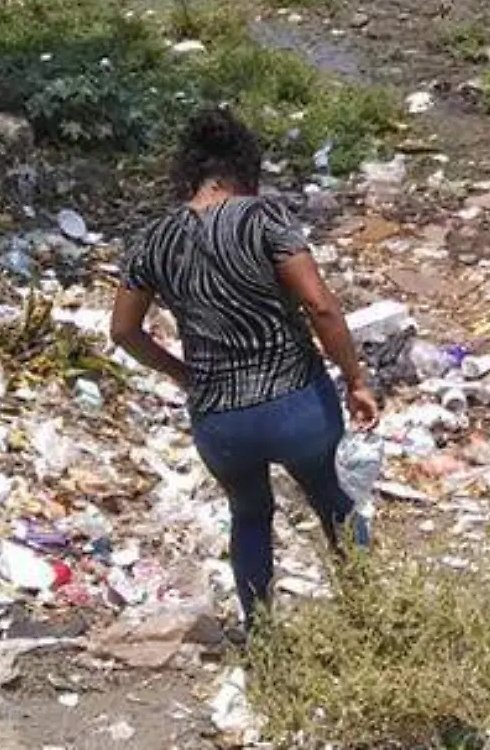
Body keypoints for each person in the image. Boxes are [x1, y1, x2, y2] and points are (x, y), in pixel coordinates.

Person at [109, 108, 379, 626]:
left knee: (250, 516)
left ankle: (262, 639)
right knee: (332, 501)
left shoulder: (154, 240)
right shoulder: (263, 218)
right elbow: (321, 306)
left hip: (221, 420)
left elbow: (123, 331)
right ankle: (368, 624)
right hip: (295, 402)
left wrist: (183, 373)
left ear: (189, 172)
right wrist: (357, 380)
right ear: (245, 169)